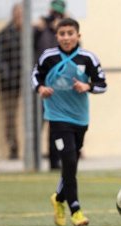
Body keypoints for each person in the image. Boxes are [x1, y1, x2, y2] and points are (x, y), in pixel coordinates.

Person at [31, 18, 107, 226]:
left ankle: (58, 197)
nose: (66, 37)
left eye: (70, 33)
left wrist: (87, 86)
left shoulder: (87, 58)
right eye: (62, 33)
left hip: (80, 119)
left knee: (71, 163)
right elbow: (35, 77)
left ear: (78, 35)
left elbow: (102, 84)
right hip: (56, 117)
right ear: (57, 36)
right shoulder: (48, 57)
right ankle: (76, 210)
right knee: (70, 161)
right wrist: (40, 89)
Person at [34, 0, 67, 170]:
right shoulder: (40, 29)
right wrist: (38, 29)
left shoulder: (66, 32)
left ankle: (55, 161)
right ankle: (32, 159)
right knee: (37, 122)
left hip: (61, 87)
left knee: (58, 124)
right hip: (43, 83)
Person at [0, 3, 23, 159]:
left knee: (40, 114)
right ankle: (13, 148)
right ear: (13, 15)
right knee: (10, 117)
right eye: (18, 14)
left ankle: (37, 149)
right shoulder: (4, 34)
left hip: (29, 82)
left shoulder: (31, 34)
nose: (20, 18)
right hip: (10, 83)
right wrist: (9, 75)